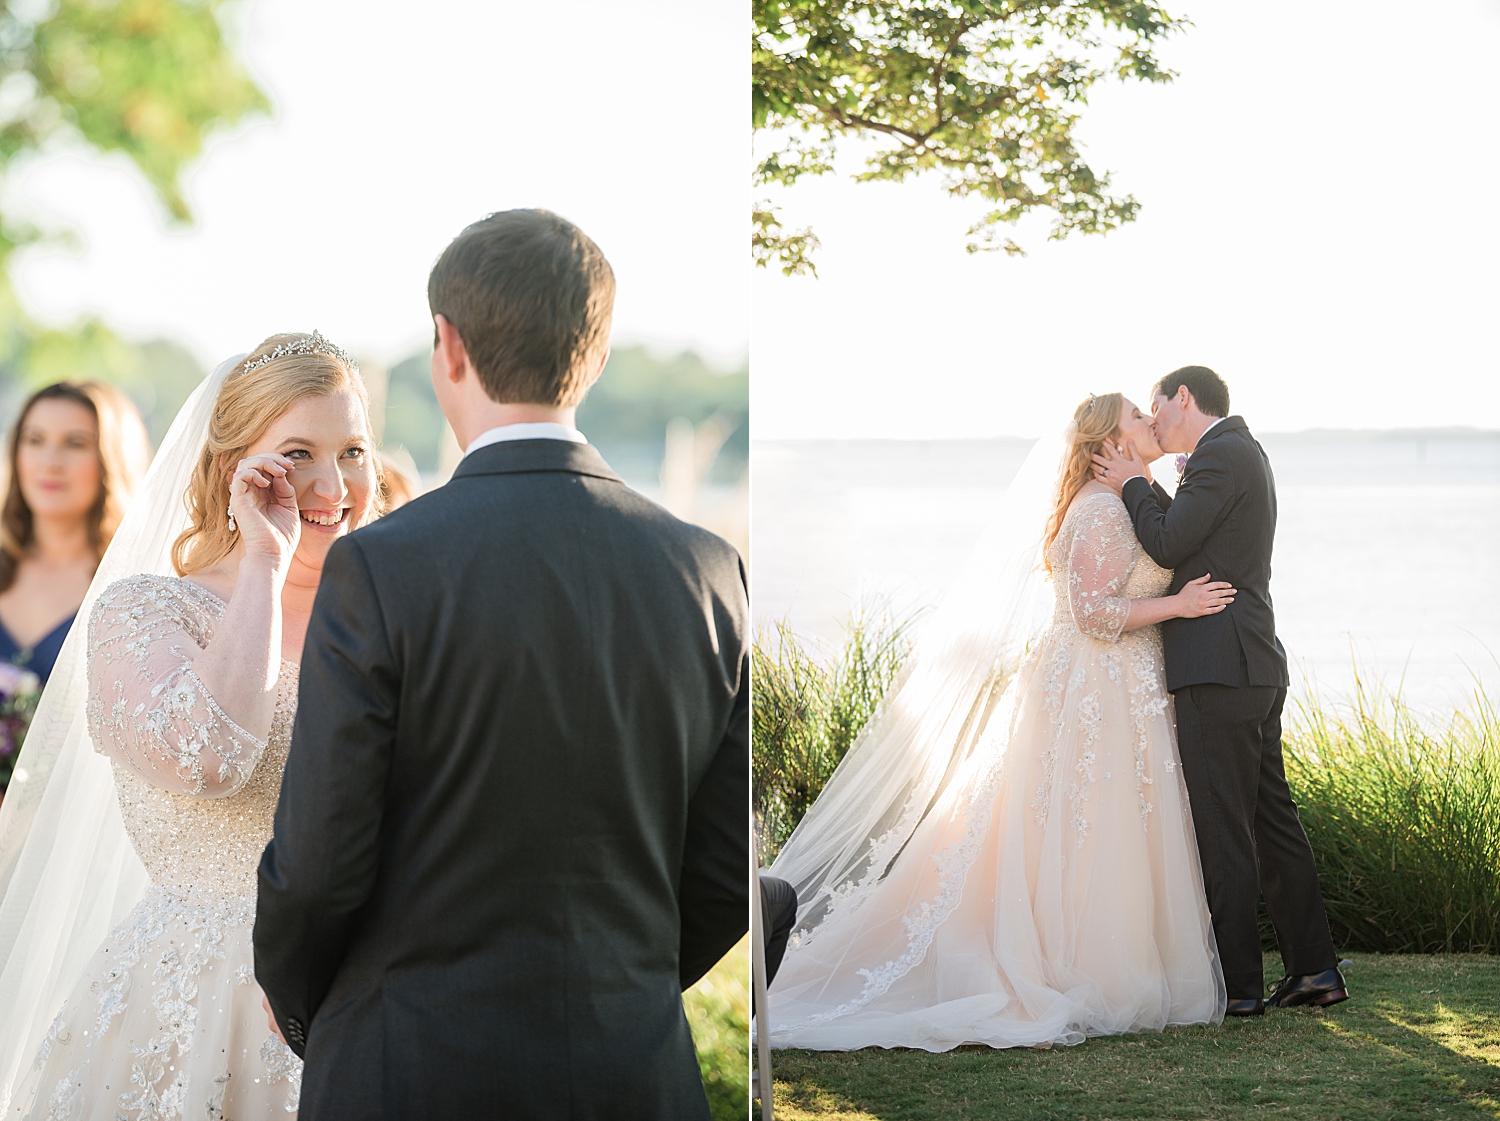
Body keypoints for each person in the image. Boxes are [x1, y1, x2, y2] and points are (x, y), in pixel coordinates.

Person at [253, 209, 749, 1119]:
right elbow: (723, 871)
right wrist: (623, 990)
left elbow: (319, 860)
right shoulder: (711, 571)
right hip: (634, 1071)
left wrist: (310, 1011)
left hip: (409, 1066)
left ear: (447, 345)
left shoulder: (382, 566)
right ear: (595, 356)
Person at [764, 392, 1233, 1051]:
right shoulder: (1100, 508)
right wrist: (1180, 605)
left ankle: (1116, 961)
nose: (1148, 422)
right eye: (1135, 415)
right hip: (1092, 690)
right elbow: (1094, 613)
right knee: (1087, 826)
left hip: (1124, 689)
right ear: (1110, 441)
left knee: (1108, 827)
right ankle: (1083, 967)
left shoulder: (1134, 495)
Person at [0, 331, 381, 1118]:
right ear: (231, 469)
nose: (331, 482)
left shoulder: (398, 618)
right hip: (196, 1001)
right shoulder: (144, 612)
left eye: (352, 450)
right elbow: (211, 757)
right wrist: (265, 567)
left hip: (375, 1001)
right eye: (298, 452)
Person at [1093, 365, 1345, 1014]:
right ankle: (1314, 970)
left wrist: (1132, 483)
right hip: (1253, 664)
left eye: (1157, 407)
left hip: (1218, 667)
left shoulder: (1219, 455)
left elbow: (1170, 540)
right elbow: (1196, 541)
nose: (1154, 423)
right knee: (1271, 822)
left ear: (1184, 397)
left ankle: (1241, 988)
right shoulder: (1240, 452)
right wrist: (1152, 484)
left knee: (1223, 826)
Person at [0, 382, 149, 686]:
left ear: (113, 459)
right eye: (35, 440)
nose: (50, 462)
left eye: (75, 444)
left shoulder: (137, 588)